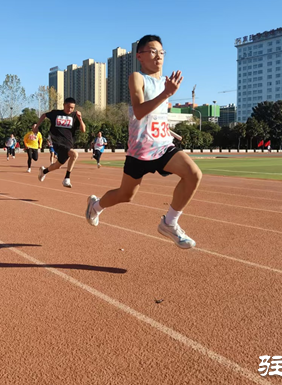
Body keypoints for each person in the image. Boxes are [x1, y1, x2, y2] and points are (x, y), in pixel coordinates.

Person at [85, 34, 202, 249]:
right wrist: (167, 93)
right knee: (125, 195)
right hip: (139, 150)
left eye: (161, 52)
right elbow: (139, 111)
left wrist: (167, 128)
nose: (158, 56)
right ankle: (96, 206)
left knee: (194, 174)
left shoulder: (165, 82)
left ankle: (170, 223)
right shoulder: (137, 78)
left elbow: (155, 116)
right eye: (152, 51)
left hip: (163, 146)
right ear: (140, 55)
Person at [33, 97, 86, 188]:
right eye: (68, 107)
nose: (70, 109)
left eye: (72, 108)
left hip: (68, 143)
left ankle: (44, 171)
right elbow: (44, 115)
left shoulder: (74, 116)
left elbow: (83, 130)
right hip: (57, 142)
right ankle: (67, 178)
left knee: (57, 165)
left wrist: (80, 119)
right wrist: (37, 126)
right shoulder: (55, 113)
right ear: (64, 105)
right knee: (74, 154)